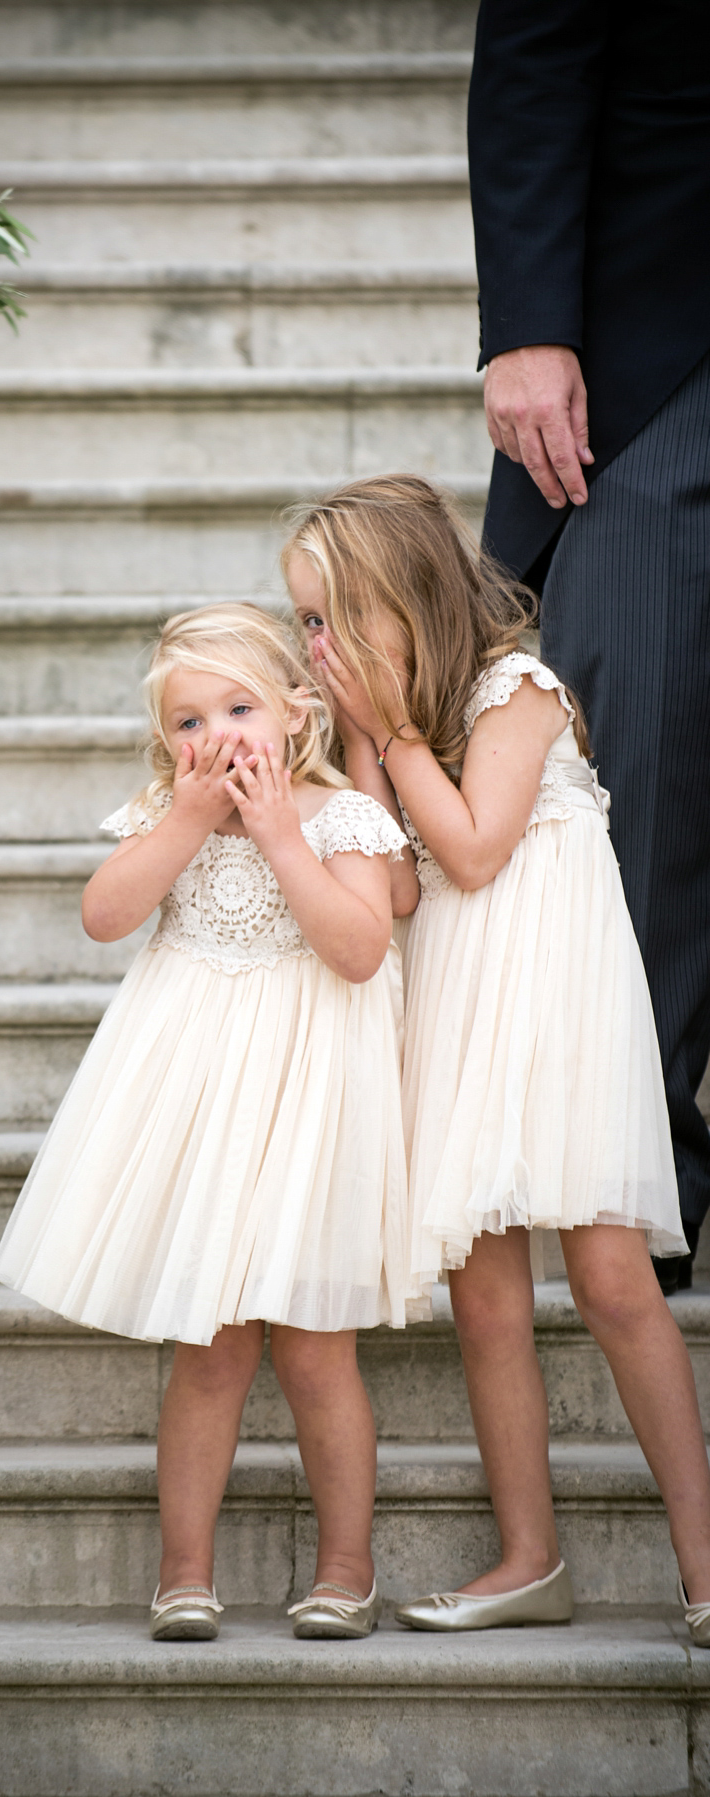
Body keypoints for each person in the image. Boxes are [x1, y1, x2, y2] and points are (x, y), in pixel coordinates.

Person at [283, 474, 710, 1644]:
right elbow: (408, 885)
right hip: (465, 1005)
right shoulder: (396, 726)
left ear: (407, 600)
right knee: (484, 1298)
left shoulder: (518, 689)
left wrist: (395, 734)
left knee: (615, 1279)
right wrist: (368, 758)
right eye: (306, 625)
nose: (318, 646)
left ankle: (707, 1562)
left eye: (335, 618)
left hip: (559, 1006)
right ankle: (530, 1556)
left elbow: (473, 850)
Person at [0, 603, 419, 1643]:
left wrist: (280, 836)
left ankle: (346, 1569)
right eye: (188, 721)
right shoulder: (168, 813)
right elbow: (104, 914)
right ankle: (183, 1572)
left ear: (294, 715)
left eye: (238, 708)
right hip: (199, 1112)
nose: (215, 736)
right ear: (163, 742)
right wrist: (186, 821)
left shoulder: (340, 817)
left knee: (318, 1352)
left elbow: (360, 949)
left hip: (310, 1104)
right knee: (212, 1350)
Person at [467, 0, 710, 1289]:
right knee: (641, 756)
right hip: (660, 340)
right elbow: (538, 49)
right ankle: (640, 1169)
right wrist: (528, 322)